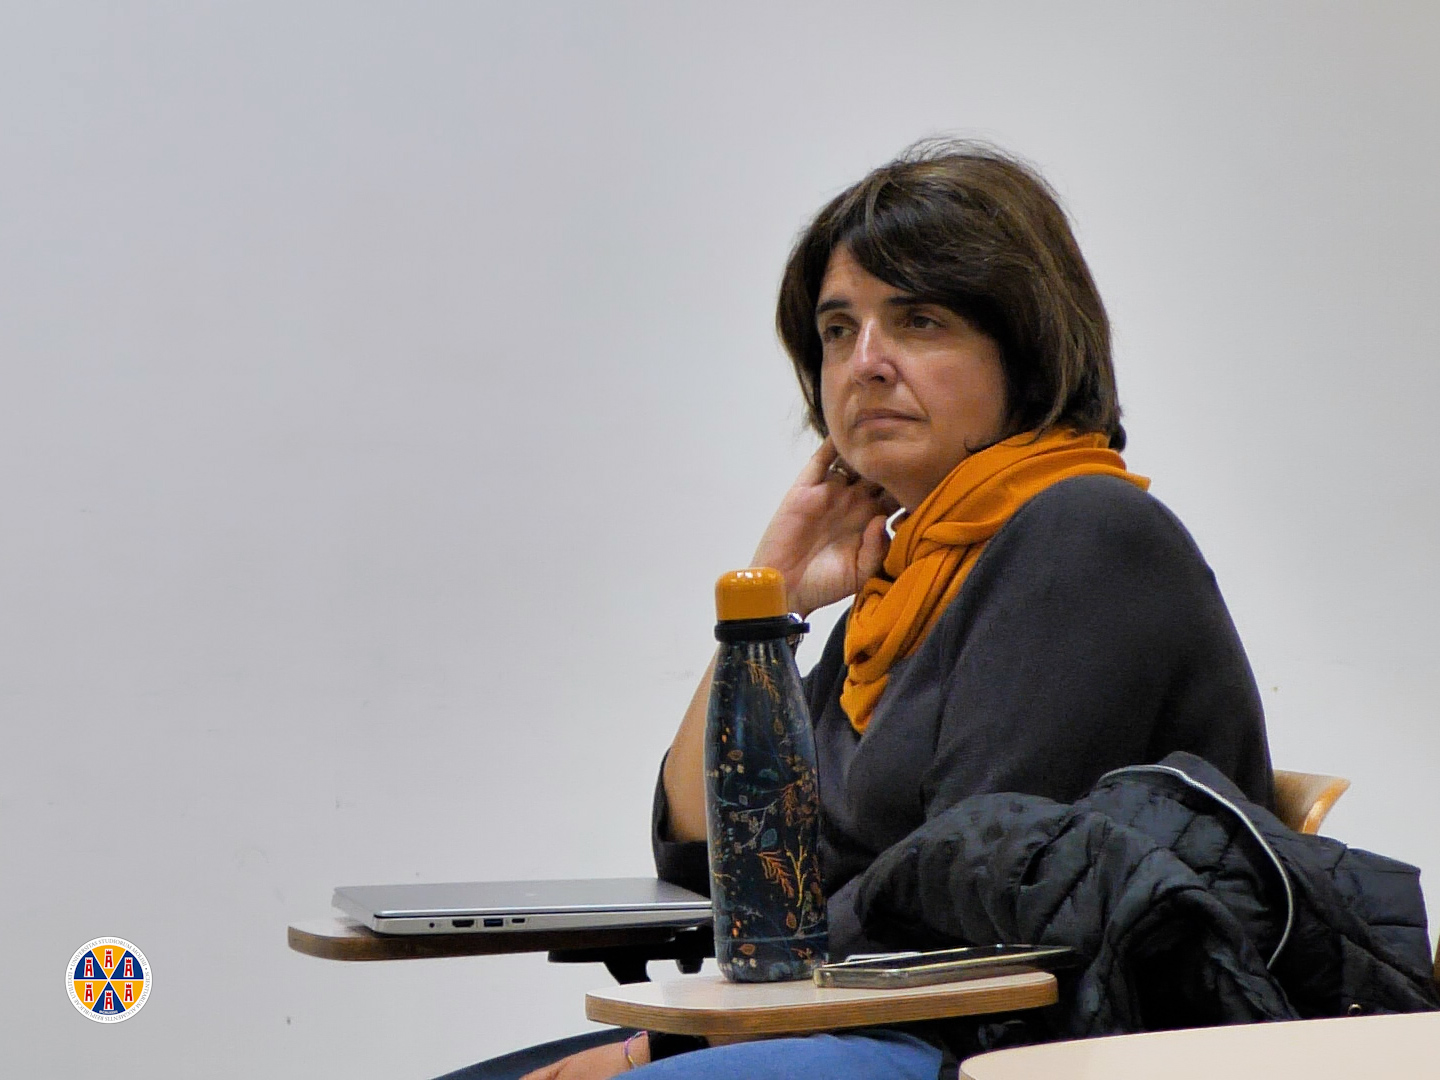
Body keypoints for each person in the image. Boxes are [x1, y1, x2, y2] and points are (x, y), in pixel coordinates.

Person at [444, 140, 1273, 1080]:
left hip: (1014, 1047)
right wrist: (766, 603)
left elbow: (959, 892)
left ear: (1027, 350)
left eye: (919, 321)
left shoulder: (1086, 535)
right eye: (838, 330)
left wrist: (670, 1042)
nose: (865, 363)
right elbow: (713, 859)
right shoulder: (903, 590)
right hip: (863, 1024)